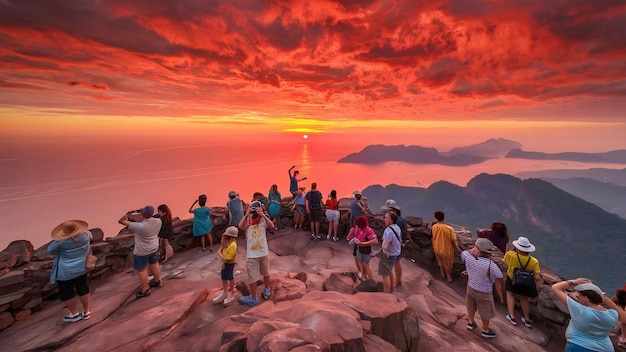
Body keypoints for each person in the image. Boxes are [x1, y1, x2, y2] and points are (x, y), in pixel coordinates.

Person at [552, 278, 626, 352]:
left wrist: (574, 282)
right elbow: (623, 317)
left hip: (579, 347)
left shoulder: (580, 310)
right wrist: (599, 293)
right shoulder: (612, 314)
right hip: (605, 349)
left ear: (586, 298)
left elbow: (555, 287)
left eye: (579, 296)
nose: (577, 298)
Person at [48, 220, 93, 322]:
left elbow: (50, 251)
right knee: (83, 288)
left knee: (67, 292)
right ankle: (86, 311)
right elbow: (91, 238)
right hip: (82, 268)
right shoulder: (86, 234)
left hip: (65, 271)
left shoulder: (61, 242)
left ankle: (74, 314)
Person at [462, 238, 503, 339]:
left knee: (470, 305)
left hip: (471, 286)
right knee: (485, 311)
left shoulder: (467, 256)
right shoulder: (490, 265)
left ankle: (471, 323)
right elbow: (499, 275)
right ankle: (485, 330)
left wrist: (472, 250)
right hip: (484, 292)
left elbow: (463, 254)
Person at [119, 206, 163, 298]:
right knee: (154, 264)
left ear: (143, 214)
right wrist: (144, 213)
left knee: (142, 270)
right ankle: (157, 281)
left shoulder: (139, 226)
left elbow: (121, 221)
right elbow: (150, 218)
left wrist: (128, 214)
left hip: (142, 251)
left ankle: (145, 289)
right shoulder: (158, 221)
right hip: (154, 247)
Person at [237, 200, 275, 307]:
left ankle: (266, 290)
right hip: (252, 255)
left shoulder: (262, 220)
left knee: (265, 272)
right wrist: (246, 214)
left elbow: (271, 226)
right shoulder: (248, 222)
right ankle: (253, 298)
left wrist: (262, 214)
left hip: (263, 253)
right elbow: (240, 226)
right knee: (252, 277)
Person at [504, 236, 540, 328]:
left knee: (510, 294)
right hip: (526, 282)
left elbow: (505, 262)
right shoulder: (534, 261)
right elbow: (536, 274)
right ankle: (526, 318)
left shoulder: (510, 255)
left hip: (512, 278)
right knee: (524, 298)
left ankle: (512, 316)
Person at [382, 199, 407, 290]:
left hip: (394, 246)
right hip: (401, 244)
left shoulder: (396, 222)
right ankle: (398, 281)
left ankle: (392, 285)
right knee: (397, 262)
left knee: (390, 266)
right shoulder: (401, 219)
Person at [431, 211, 461, 283]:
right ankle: (449, 278)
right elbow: (454, 240)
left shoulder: (434, 227)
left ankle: (442, 275)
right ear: (443, 217)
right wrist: (459, 249)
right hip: (446, 249)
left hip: (437, 248)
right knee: (447, 263)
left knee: (440, 262)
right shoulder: (449, 228)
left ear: (436, 218)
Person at [212, 226, 238, 307]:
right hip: (225, 263)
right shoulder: (227, 243)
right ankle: (225, 292)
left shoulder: (233, 245)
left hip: (229, 263)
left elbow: (230, 256)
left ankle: (232, 293)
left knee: (229, 277)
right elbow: (220, 250)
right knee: (223, 276)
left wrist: (224, 257)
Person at [346, 216, 377, 280]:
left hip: (365, 249)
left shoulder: (369, 231)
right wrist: (352, 239)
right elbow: (353, 230)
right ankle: (363, 275)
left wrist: (364, 243)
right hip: (359, 248)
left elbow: (375, 241)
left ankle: (371, 280)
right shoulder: (357, 227)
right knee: (361, 262)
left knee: (366, 264)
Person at [379, 212, 402, 293]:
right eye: (385, 218)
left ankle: (386, 294)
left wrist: (383, 250)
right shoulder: (397, 228)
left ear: (392, 220)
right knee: (389, 271)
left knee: (385, 275)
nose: (385, 219)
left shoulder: (388, 231)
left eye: (387, 218)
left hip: (388, 254)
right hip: (395, 253)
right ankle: (391, 288)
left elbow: (385, 246)